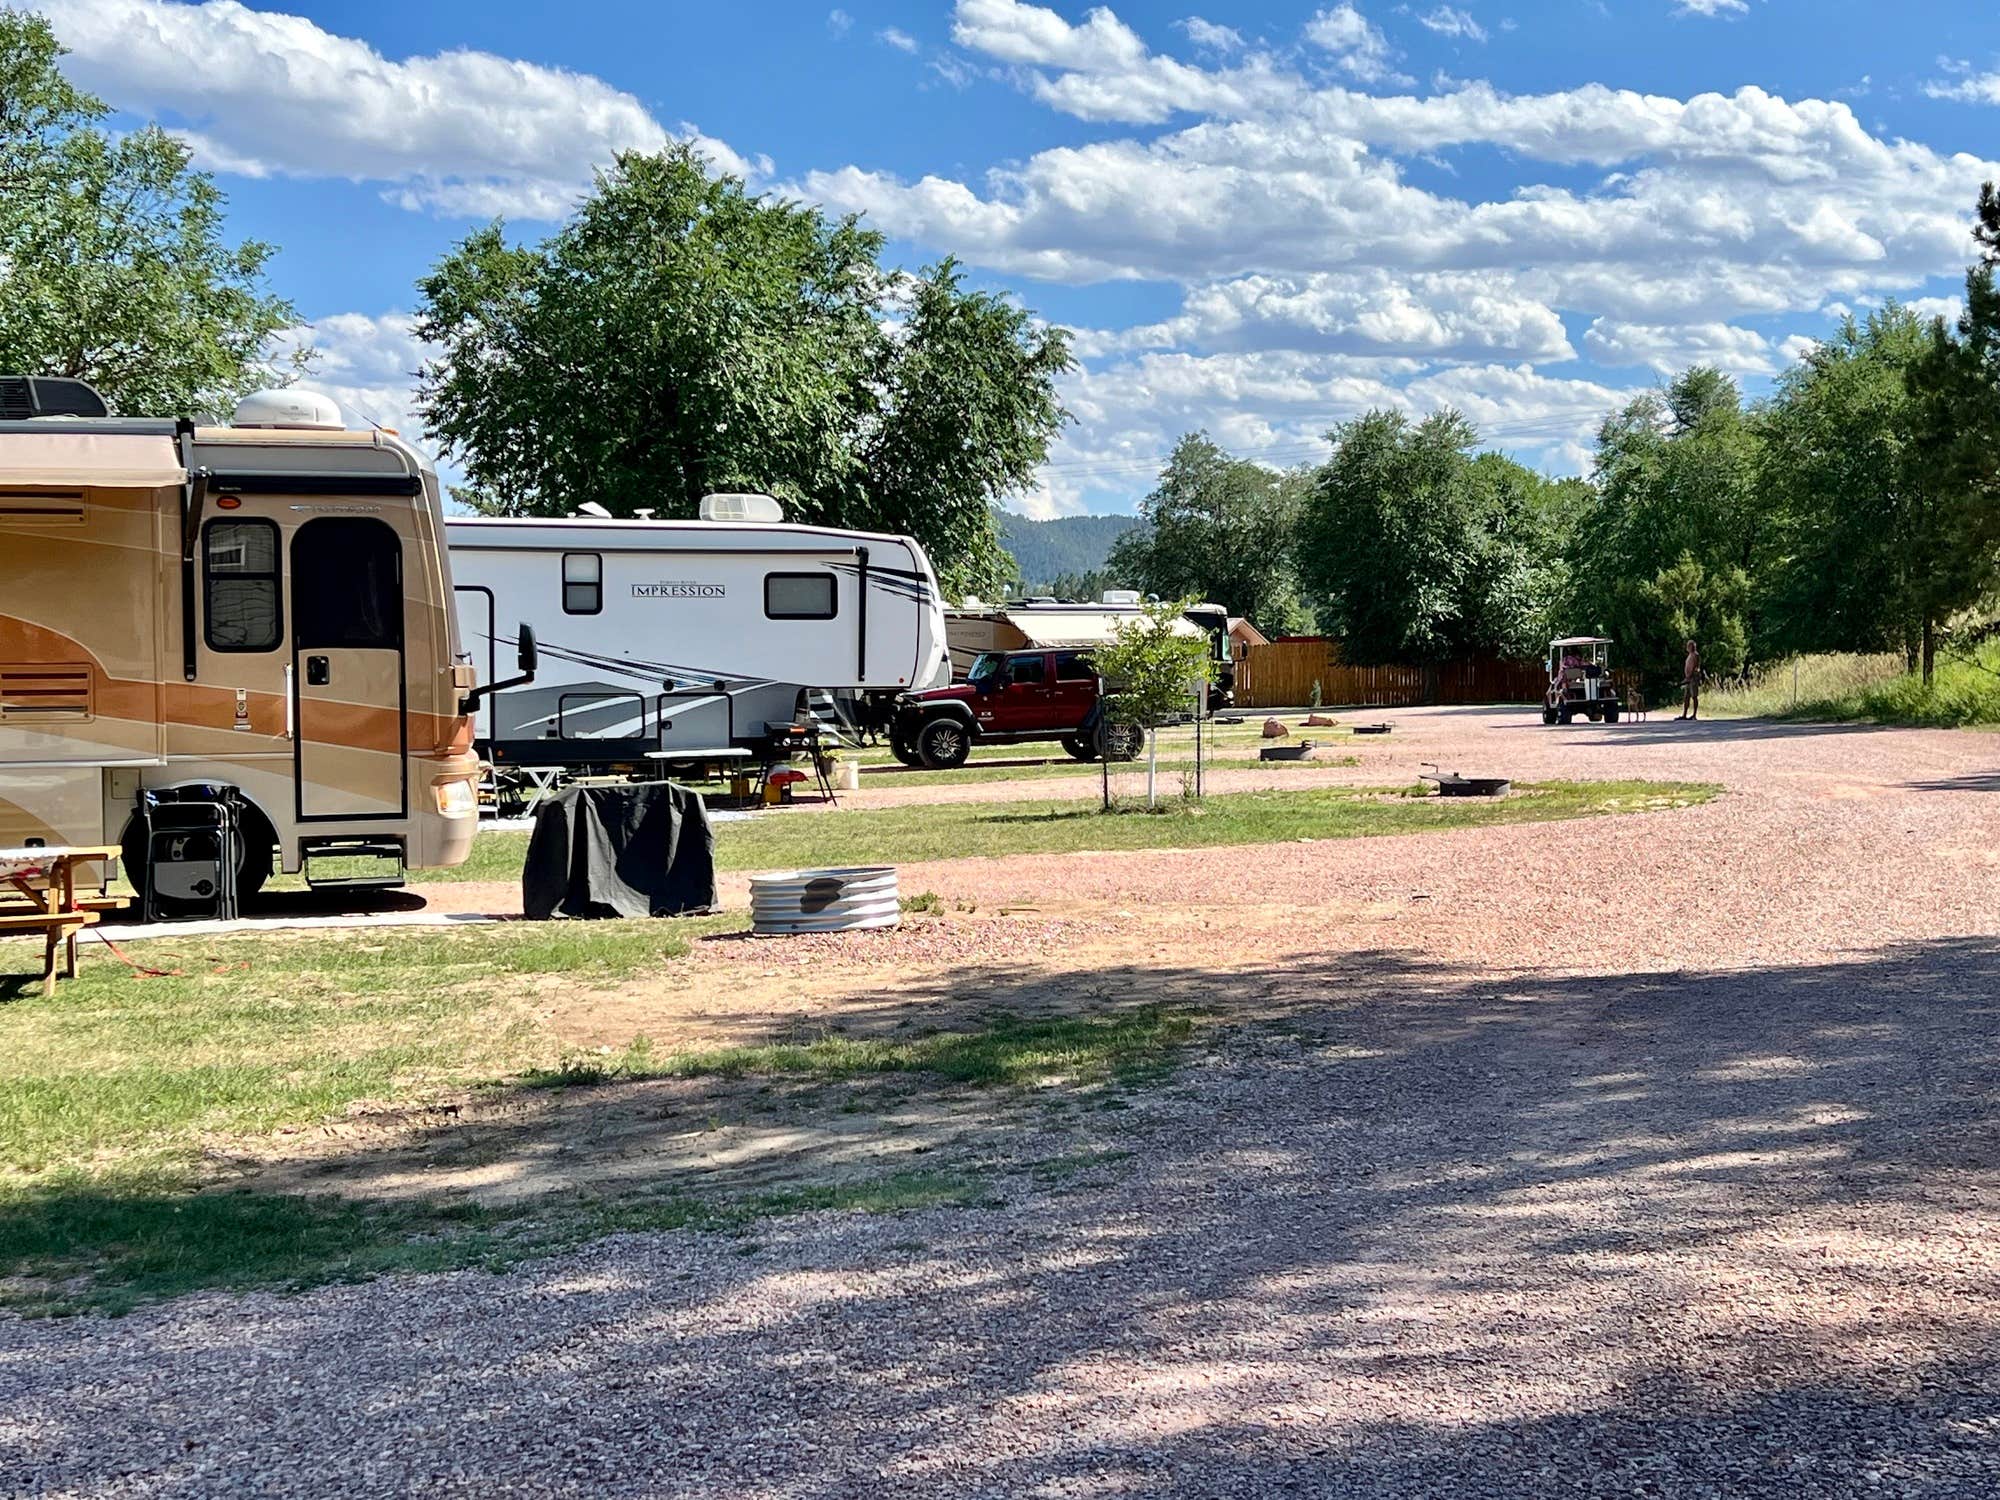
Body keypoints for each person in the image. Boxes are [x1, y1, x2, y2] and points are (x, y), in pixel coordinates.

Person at [1678, 639, 1702, 720]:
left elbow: (1694, 666)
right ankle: (1684, 714)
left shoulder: (1695, 655)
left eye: (1689, 645)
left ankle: (1694, 715)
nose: (1687, 647)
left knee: (1694, 696)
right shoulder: (1689, 655)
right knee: (1686, 697)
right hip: (1688, 678)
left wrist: (1690, 675)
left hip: (1693, 678)